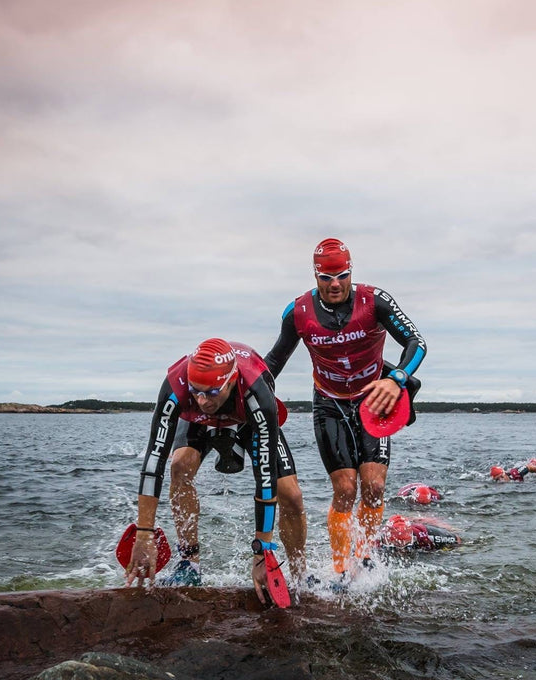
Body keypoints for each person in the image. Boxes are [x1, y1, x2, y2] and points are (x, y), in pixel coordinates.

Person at [265, 238, 426, 582]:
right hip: (329, 402)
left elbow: (417, 342)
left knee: (374, 485)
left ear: (351, 272)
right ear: (315, 275)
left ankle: (364, 554)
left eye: (341, 276)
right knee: (346, 488)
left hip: (375, 399)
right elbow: (275, 361)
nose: (334, 284)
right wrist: (249, 391)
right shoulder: (298, 312)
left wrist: (396, 379)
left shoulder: (375, 301)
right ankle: (340, 566)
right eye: (326, 277)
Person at [125, 338, 307, 604]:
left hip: (247, 420)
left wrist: (262, 552)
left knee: (291, 494)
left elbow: (265, 477)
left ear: (232, 380)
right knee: (179, 465)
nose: (201, 400)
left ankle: (300, 574)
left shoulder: (257, 391)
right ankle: (189, 564)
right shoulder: (177, 385)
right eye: (195, 391)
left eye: (209, 392)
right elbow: (155, 459)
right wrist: (144, 533)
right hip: (198, 423)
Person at [375, 514, 462, 552]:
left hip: (421, 526)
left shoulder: (425, 535)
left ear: (413, 539)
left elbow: (456, 539)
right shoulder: (375, 541)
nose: (401, 552)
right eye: (394, 548)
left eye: (407, 547)